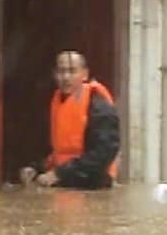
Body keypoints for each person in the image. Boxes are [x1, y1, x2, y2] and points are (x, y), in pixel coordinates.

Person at [20, 50, 120, 190]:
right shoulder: (57, 103)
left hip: (94, 186)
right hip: (66, 183)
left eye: (72, 71)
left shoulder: (98, 106)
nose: (66, 77)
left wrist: (59, 174)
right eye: (61, 72)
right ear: (55, 75)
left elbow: (103, 153)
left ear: (85, 74)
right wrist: (36, 168)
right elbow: (58, 152)